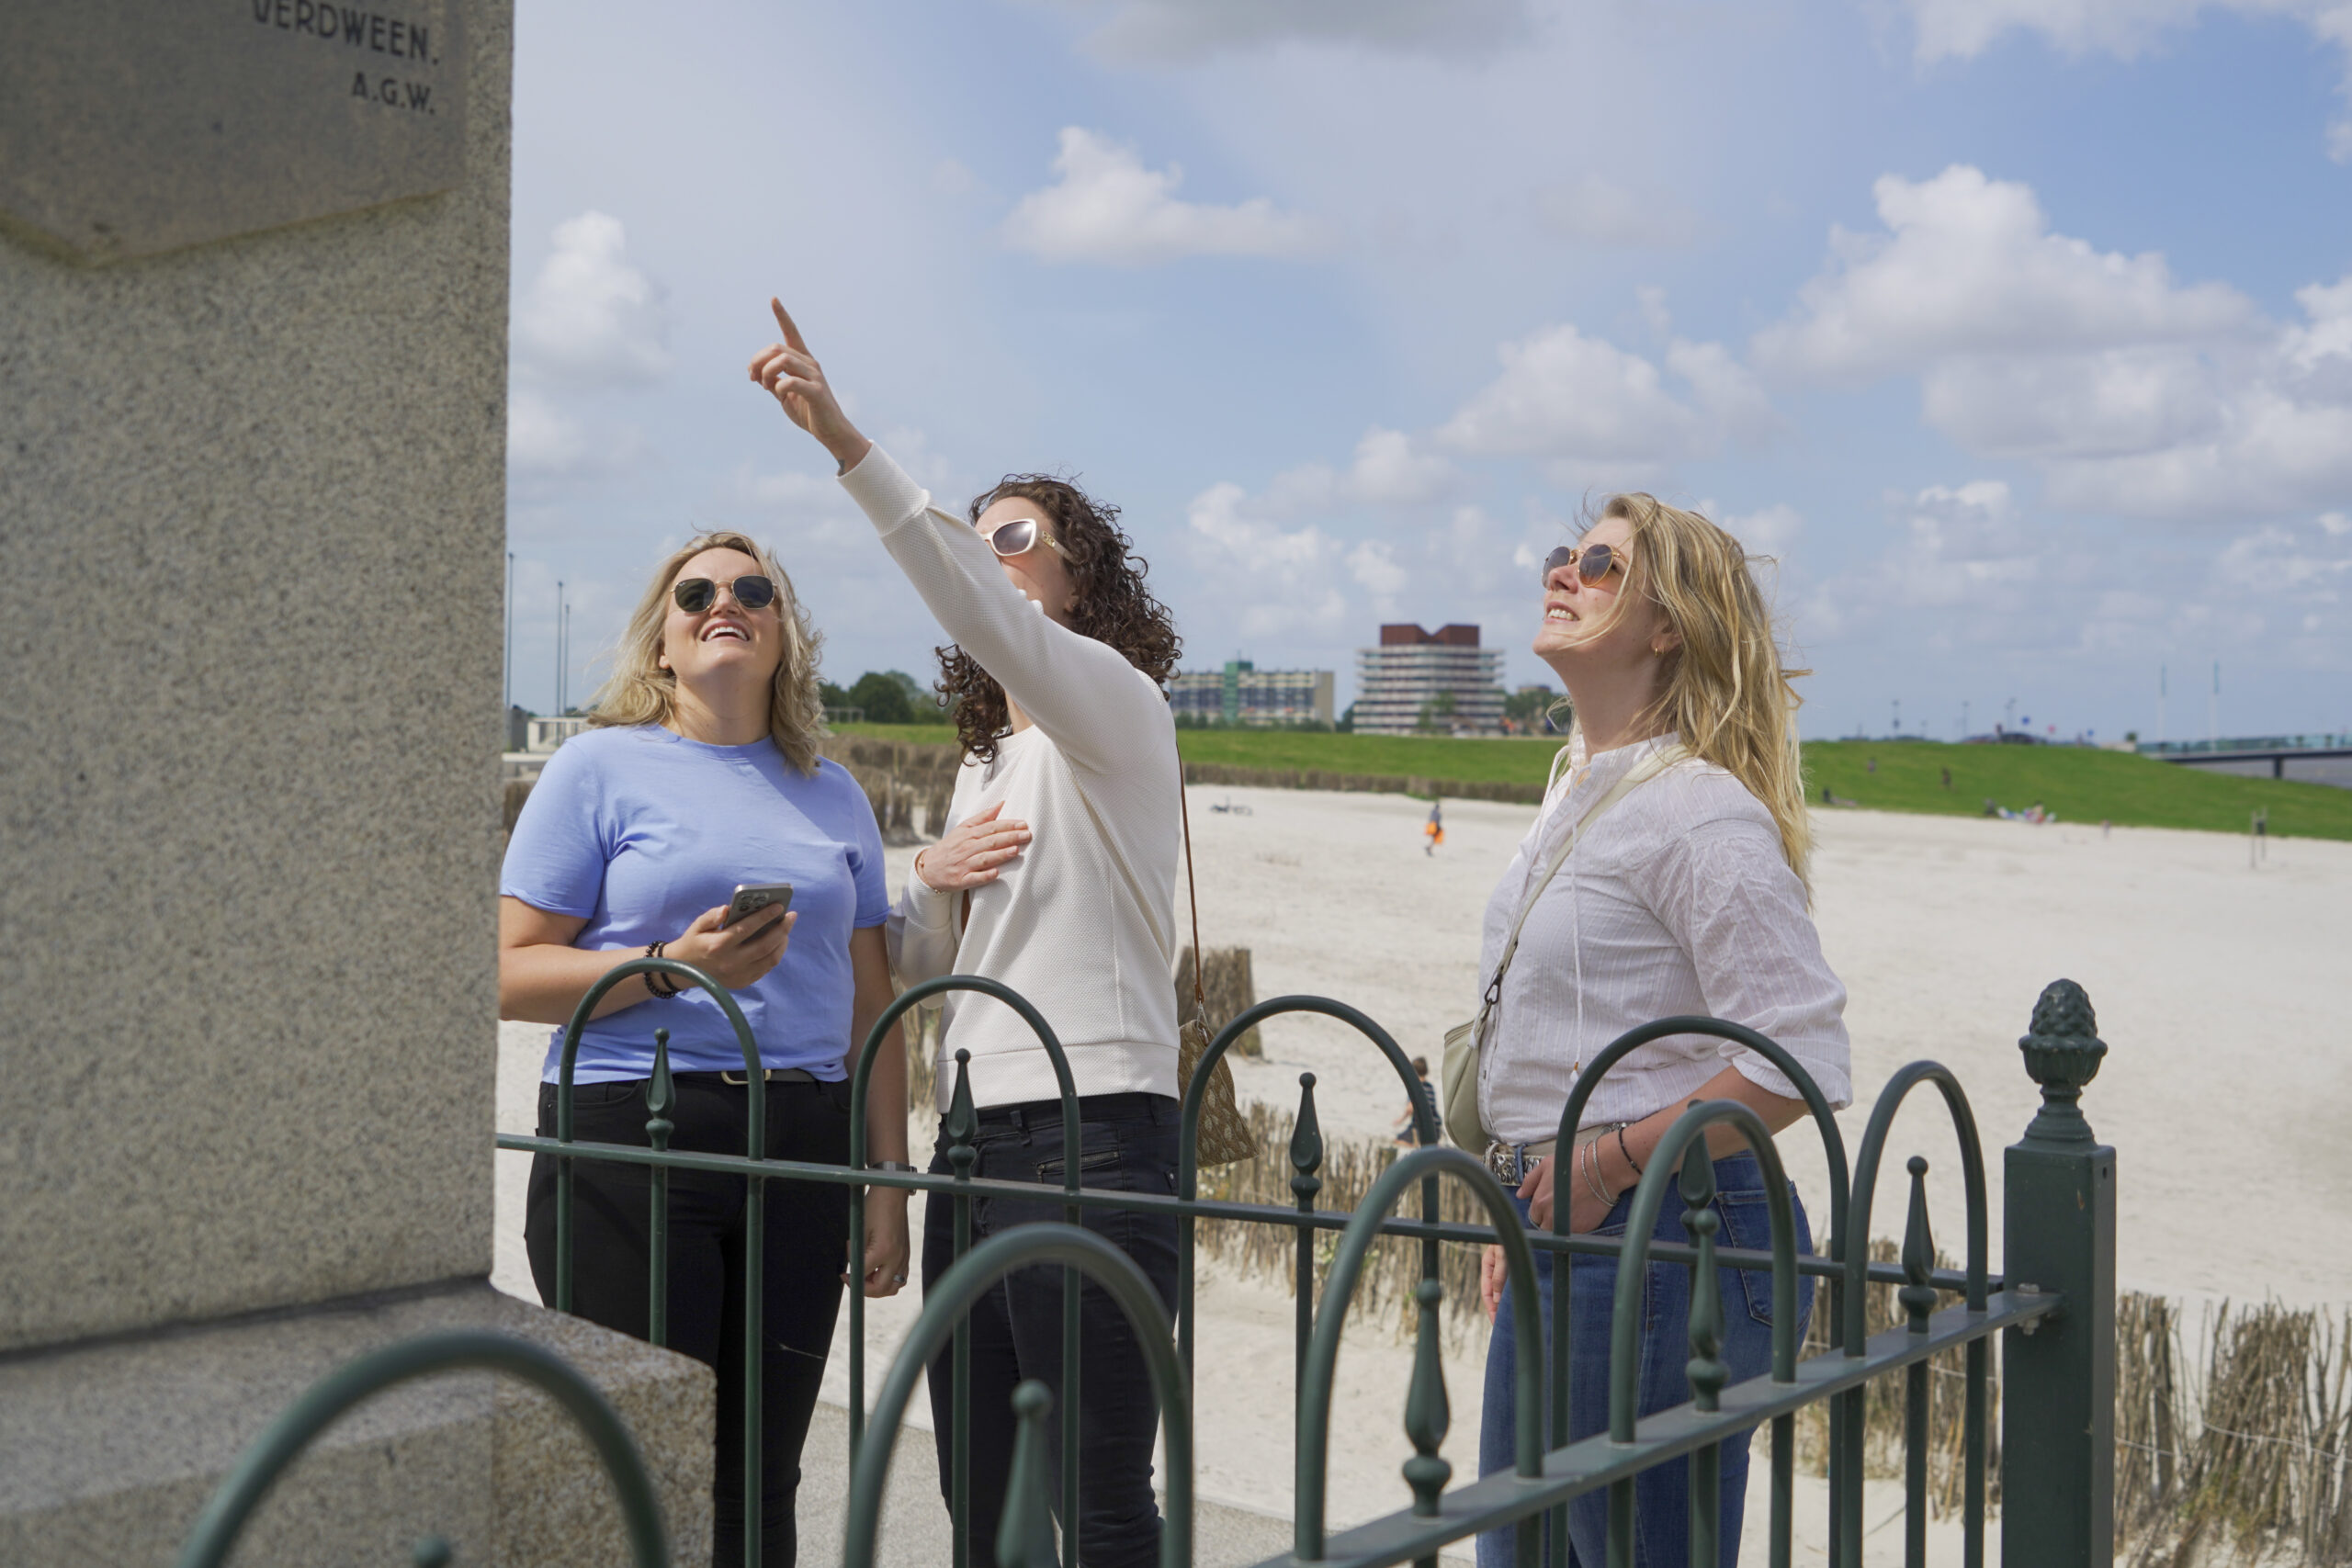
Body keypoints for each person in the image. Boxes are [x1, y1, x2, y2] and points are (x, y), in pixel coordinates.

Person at [748, 300, 1186, 1568]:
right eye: (978, 535)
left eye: (1015, 537)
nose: (988, 555)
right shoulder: (983, 764)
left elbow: (982, 611)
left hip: (1096, 1128)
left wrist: (842, 436)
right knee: (977, 1495)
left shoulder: (1116, 707)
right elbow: (934, 976)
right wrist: (926, 875)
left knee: (1101, 1500)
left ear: (1074, 580)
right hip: (973, 1135)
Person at [501, 533, 911, 1568]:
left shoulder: (834, 791)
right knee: (640, 1467)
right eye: (695, 592)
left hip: (803, 1147)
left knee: (763, 1476)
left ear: (784, 637)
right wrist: (671, 967)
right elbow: (505, 975)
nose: (723, 601)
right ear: (661, 647)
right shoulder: (597, 765)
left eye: (751, 589)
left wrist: (887, 1182)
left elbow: (873, 1001)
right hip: (633, 1138)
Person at [1470, 496, 1852, 1568]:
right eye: (1561, 556)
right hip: (1566, 1220)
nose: (1561, 574)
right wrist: (1535, 1185)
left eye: (1596, 565)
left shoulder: (1695, 810)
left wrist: (1606, 1161)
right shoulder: (1580, 793)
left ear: (1667, 623)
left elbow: (1805, 1059)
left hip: (1666, 1224)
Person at [1393, 1055, 1439, 1146]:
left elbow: (1410, 1108)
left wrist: (1401, 1120)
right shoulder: (1430, 1087)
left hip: (1420, 1127)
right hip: (1436, 1127)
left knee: (1397, 1141)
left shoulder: (1415, 1087)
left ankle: (1415, 1144)